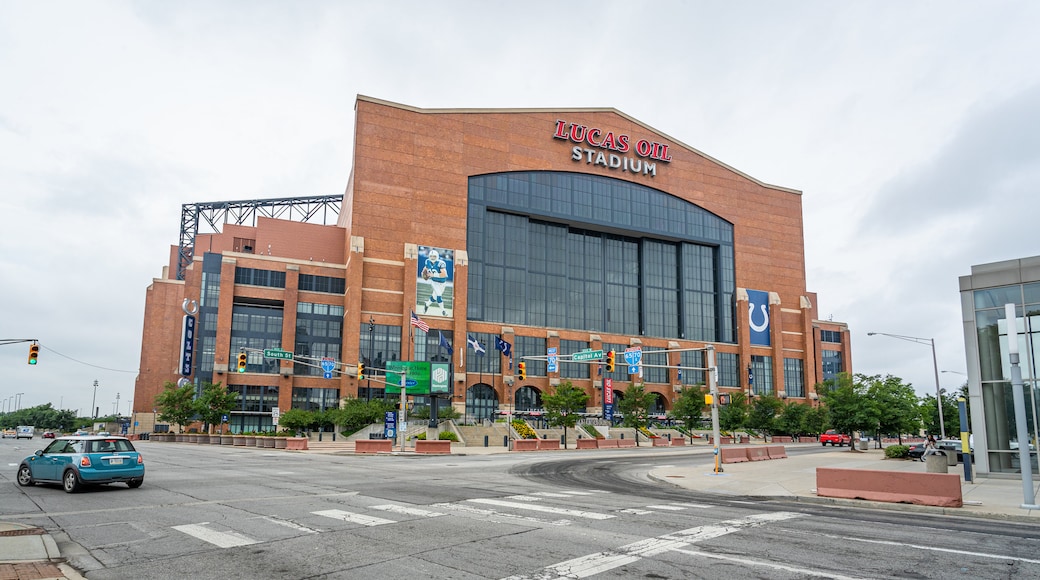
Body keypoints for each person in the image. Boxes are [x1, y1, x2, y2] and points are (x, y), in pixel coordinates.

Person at [421, 249, 450, 316]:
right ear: (429, 256)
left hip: (442, 283)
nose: (432, 258)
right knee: (439, 295)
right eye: (431, 256)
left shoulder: (441, 263)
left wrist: (433, 275)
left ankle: (426, 304)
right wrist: (423, 273)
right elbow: (425, 268)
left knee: (434, 298)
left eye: (434, 256)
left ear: (437, 256)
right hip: (434, 282)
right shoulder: (427, 261)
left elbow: (444, 274)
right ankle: (443, 311)